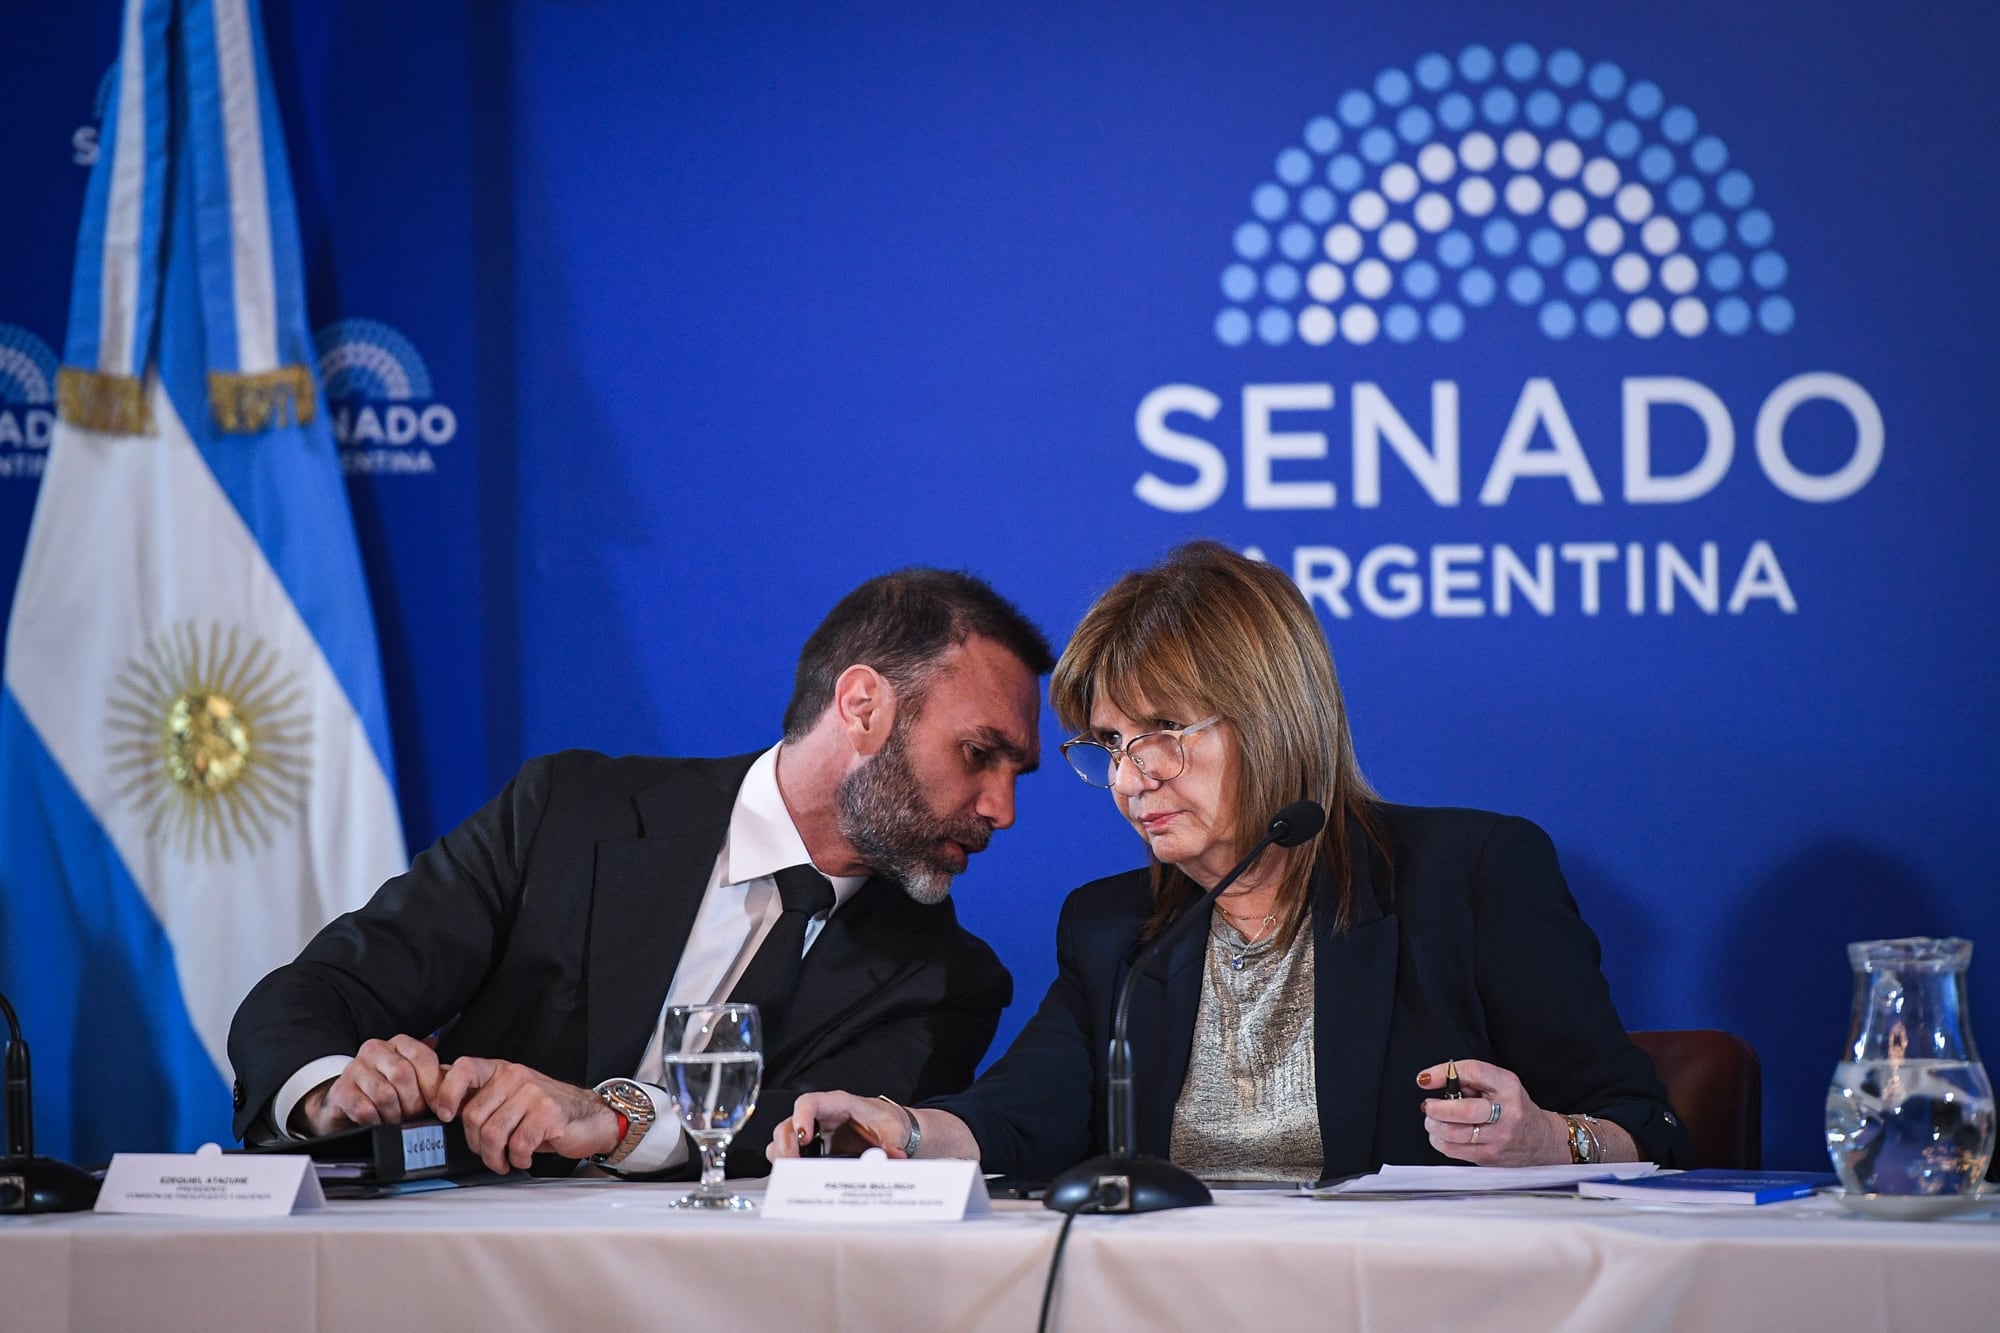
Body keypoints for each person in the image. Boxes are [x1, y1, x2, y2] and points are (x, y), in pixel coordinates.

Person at [771, 542, 1691, 1181]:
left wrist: (1544, 1138)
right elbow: (1027, 1107)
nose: (1134, 776)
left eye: (1165, 728)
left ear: (1272, 714)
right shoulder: (1113, 927)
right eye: (1112, 743)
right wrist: (903, 1127)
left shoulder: (1470, 873)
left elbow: (1650, 1127)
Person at [229, 567, 1052, 1178]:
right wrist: (334, 1090)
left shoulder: (949, 980)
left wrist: (616, 1118)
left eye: (1019, 773)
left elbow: (814, 1138)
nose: (1002, 808)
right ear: (863, 706)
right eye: (980, 754)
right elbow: (319, 992)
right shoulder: (571, 813)